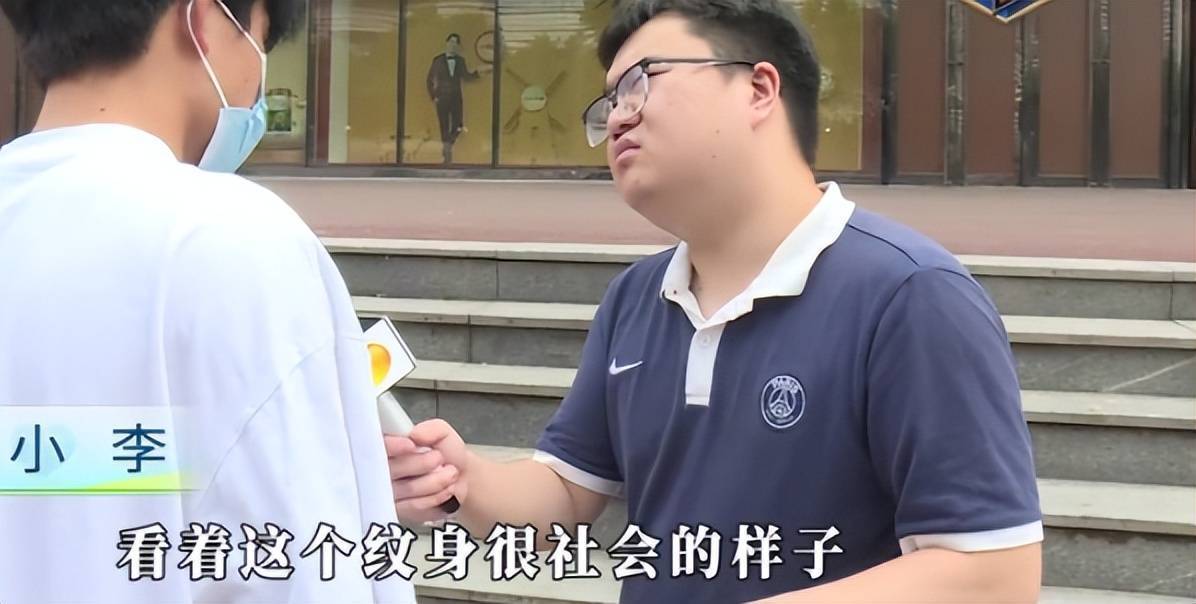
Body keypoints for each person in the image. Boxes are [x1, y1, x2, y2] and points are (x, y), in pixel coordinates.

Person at [387, 1, 1043, 603]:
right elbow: (563, 496)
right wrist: (463, 479)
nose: (618, 116)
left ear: (758, 89)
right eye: (609, 103)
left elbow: (993, 573)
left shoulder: (911, 295)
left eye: (641, 82)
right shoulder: (637, 297)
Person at [0, 1, 415, 602]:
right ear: (202, 21)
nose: (257, 80)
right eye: (261, 42)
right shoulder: (229, 237)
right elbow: (296, 567)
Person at [426, 33, 480, 164]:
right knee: (444, 125)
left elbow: (466, 76)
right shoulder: (438, 60)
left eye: (455, 43)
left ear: (458, 46)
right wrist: (434, 96)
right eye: (451, 42)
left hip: (456, 97)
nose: (452, 45)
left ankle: (448, 145)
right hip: (442, 97)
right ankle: (447, 155)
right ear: (447, 43)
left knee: (458, 124)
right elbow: (429, 79)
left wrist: (478, 73)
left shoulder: (460, 61)